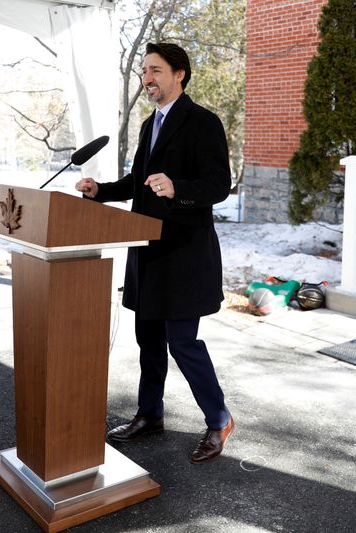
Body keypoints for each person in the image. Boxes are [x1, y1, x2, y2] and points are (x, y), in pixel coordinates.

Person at [75, 42, 233, 464]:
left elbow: (219, 184)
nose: (147, 78)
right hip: (147, 251)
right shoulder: (150, 125)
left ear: (180, 73)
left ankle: (219, 419)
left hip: (184, 254)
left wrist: (179, 188)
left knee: (182, 343)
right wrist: (101, 192)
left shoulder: (203, 122)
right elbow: (138, 181)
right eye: (144, 71)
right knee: (148, 339)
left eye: (156, 70)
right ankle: (150, 414)